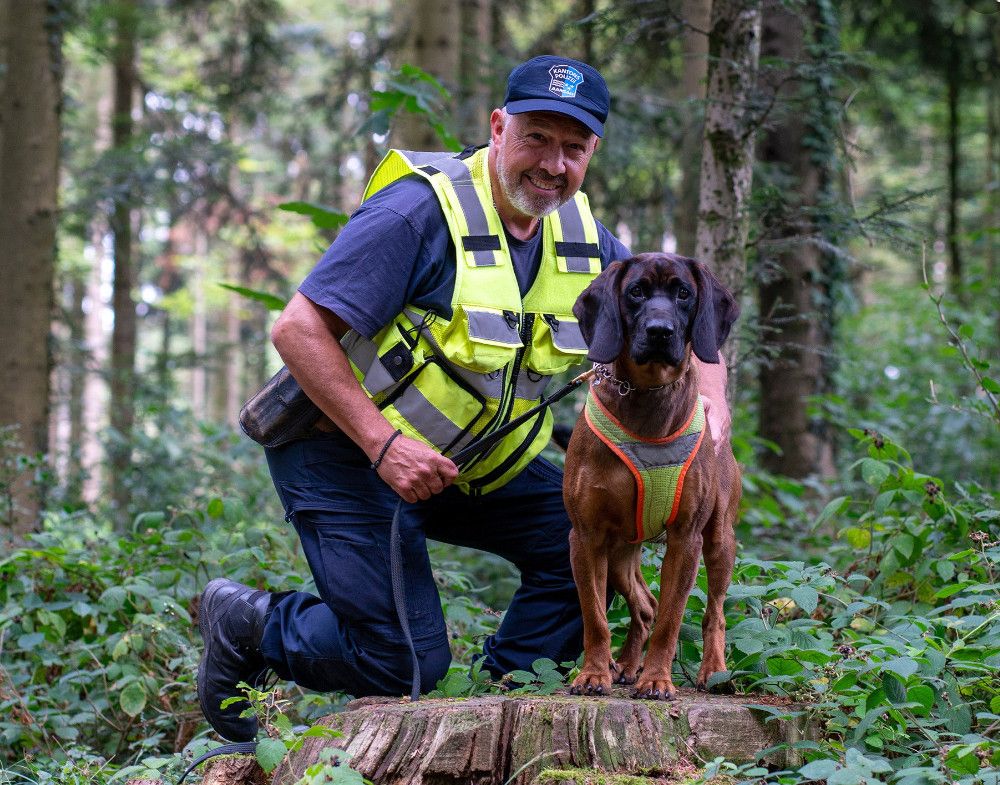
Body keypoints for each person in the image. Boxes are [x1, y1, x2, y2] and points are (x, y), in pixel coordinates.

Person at [197, 55, 731, 742]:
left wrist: (710, 407)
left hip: (476, 461)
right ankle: (251, 622)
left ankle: (501, 696)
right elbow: (295, 329)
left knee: (587, 537)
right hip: (345, 452)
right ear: (498, 127)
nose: (553, 164)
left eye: (573, 147)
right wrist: (383, 444)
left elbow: (691, 318)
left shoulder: (583, 238)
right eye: (537, 137)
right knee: (403, 658)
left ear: (592, 152)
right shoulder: (419, 213)